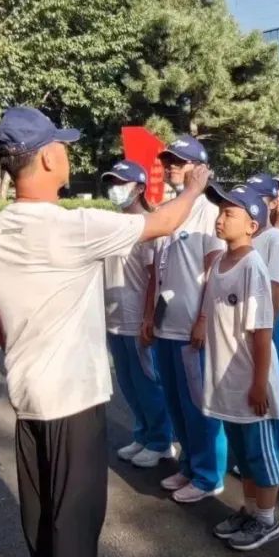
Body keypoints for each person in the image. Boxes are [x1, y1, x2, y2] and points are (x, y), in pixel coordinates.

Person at [0, 106, 211, 557]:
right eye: (62, 146)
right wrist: (194, 187)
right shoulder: (67, 226)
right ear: (47, 158)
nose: (68, 154)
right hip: (71, 392)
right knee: (77, 509)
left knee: (42, 504)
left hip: (30, 387)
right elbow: (162, 223)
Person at [201, 183, 279, 551]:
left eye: (229, 213)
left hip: (252, 382)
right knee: (244, 455)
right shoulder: (219, 262)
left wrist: (259, 383)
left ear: (252, 226)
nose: (220, 219)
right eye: (220, 212)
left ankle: (267, 520)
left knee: (261, 455)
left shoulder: (253, 266)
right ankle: (250, 510)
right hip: (229, 381)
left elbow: (262, 332)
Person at [145, 136, 227, 504]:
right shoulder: (170, 209)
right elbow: (157, 270)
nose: (172, 167)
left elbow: (215, 272)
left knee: (200, 408)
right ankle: (190, 466)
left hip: (192, 326)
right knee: (177, 404)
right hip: (167, 324)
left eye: (180, 161)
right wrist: (149, 316)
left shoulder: (210, 212)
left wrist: (204, 318)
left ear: (200, 168)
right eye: (168, 161)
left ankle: (210, 476)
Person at [101, 161, 175, 469]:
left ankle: (161, 442)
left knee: (147, 383)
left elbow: (154, 280)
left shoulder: (149, 228)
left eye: (122, 183)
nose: (115, 189)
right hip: (113, 318)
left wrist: (148, 318)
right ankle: (142, 433)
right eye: (112, 183)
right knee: (128, 384)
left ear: (140, 188)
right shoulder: (112, 225)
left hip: (136, 319)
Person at [246, 173, 279, 423]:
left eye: (260, 198)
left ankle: (276, 421)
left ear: (273, 203)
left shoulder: (274, 238)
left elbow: (277, 287)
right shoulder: (246, 236)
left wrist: (269, 324)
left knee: (271, 374)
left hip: (268, 319)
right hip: (248, 319)